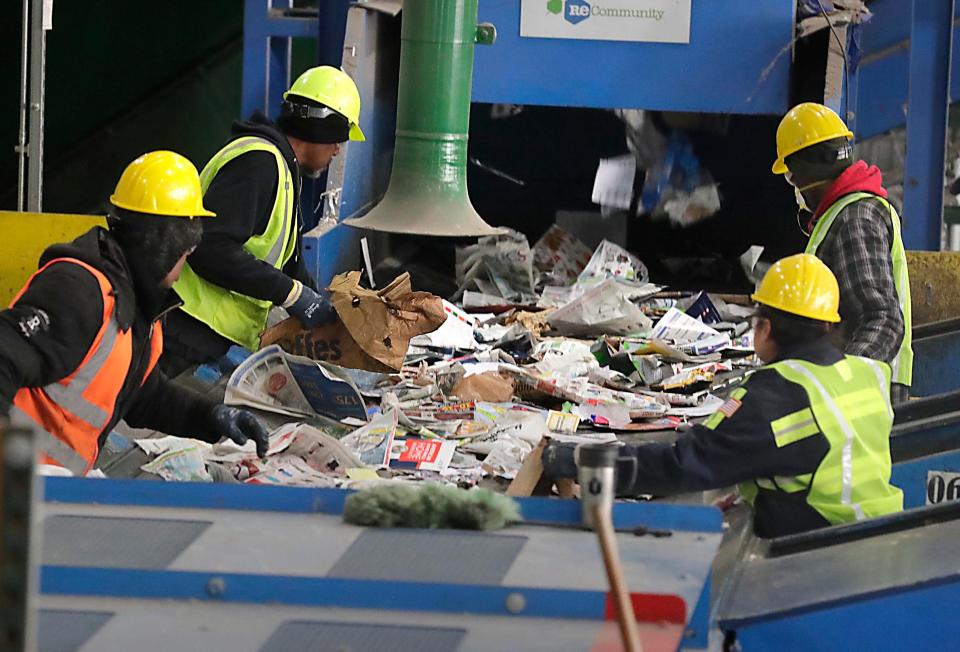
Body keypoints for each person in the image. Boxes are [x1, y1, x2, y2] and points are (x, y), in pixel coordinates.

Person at [542, 254, 903, 538]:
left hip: (818, 553)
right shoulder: (866, 374)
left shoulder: (774, 393)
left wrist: (580, 460)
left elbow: (683, 464)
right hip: (876, 534)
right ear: (828, 325)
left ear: (765, 328)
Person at [0, 151, 268, 476]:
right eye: (187, 251)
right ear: (164, 244)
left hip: (52, 495)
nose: (185, 265)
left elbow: (141, 395)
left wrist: (209, 416)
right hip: (18, 492)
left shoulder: (137, 308)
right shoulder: (80, 293)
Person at [161, 66, 366, 375]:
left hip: (209, 334)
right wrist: (293, 295)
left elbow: (287, 261)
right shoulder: (259, 163)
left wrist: (323, 307)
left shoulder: (282, 169)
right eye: (339, 137)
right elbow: (210, 245)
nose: (338, 149)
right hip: (188, 328)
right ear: (319, 128)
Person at [772, 102, 912, 404]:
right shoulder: (843, 212)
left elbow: (882, 318)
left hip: (865, 398)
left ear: (806, 171)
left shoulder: (855, 219)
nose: (793, 183)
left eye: (791, 174)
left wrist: (840, 384)